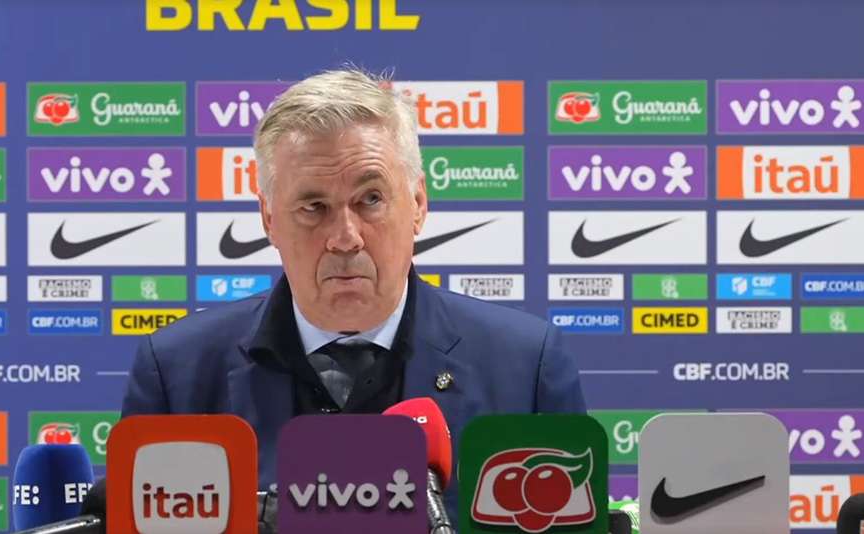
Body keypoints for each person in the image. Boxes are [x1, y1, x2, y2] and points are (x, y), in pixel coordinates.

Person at [121, 67, 586, 518]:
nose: (345, 238)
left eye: (371, 200)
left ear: (418, 204)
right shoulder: (177, 374)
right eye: (313, 207)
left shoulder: (526, 367)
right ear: (269, 219)